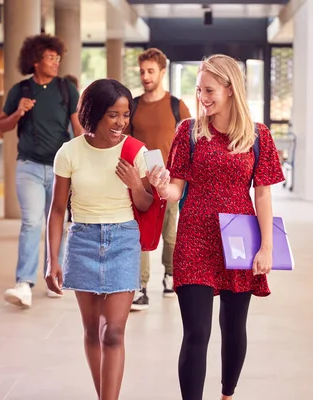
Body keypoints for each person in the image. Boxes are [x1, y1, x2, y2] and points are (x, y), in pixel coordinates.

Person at [148, 54, 285, 400]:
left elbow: (263, 194)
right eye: (198, 89)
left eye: (209, 89)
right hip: (194, 236)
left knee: (233, 327)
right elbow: (177, 188)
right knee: (196, 333)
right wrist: (162, 186)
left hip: (239, 237)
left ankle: (227, 394)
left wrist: (266, 247)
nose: (202, 97)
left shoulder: (258, 136)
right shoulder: (189, 132)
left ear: (230, 89)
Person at [47, 79, 153, 400]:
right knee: (92, 332)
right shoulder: (69, 153)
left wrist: (136, 184)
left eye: (125, 114)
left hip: (123, 239)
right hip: (83, 240)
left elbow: (146, 204)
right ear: (92, 114)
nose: (121, 122)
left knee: (114, 332)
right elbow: (56, 211)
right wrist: (53, 259)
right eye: (112, 115)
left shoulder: (136, 152)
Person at [0, 33, 83, 308]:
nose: (56, 62)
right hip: (29, 166)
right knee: (32, 222)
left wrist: (86, 157)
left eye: (58, 58)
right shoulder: (20, 91)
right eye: (50, 58)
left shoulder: (66, 89)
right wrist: (18, 113)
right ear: (35, 61)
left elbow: (78, 127)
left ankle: (55, 276)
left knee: (57, 223)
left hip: (61, 170)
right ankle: (24, 283)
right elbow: (2, 126)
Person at [128, 48, 191, 311]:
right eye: (142, 71)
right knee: (140, 235)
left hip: (169, 182)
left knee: (170, 233)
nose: (145, 76)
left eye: (150, 71)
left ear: (162, 72)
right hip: (141, 182)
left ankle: (170, 275)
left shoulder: (176, 105)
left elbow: (191, 141)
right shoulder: (133, 105)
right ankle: (140, 286)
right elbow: (126, 141)